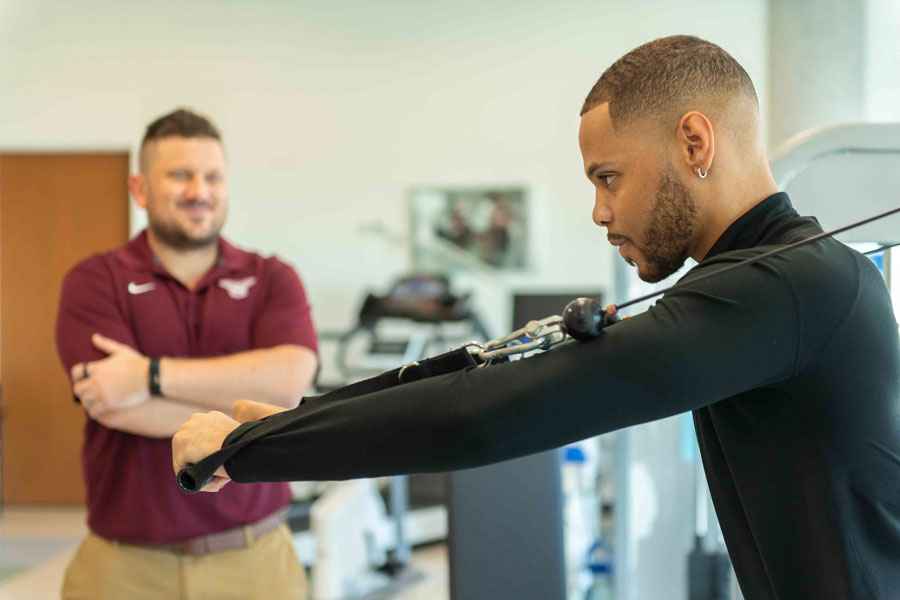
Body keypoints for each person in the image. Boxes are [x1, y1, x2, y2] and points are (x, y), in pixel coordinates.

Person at [173, 36, 900, 599]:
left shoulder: (786, 288)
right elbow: (498, 369)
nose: (599, 211)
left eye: (608, 177)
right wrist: (293, 419)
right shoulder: (772, 279)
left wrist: (249, 450)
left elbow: (491, 413)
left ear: (694, 143)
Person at [56, 108, 318, 599]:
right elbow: (110, 402)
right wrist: (249, 413)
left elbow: (289, 379)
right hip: (126, 568)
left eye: (212, 176)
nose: (199, 191)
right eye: (180, 175)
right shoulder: (94, 281)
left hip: (256, 561)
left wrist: (148, 377)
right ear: (140, 188)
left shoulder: (272, 278)